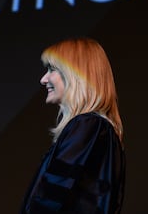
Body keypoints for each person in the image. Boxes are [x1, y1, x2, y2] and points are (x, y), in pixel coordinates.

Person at [20, 37, 126, 214]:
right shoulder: (99, 129)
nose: (43, 79)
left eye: (52, 69)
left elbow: (52, 199)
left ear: (74, 74)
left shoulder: (89, 126)